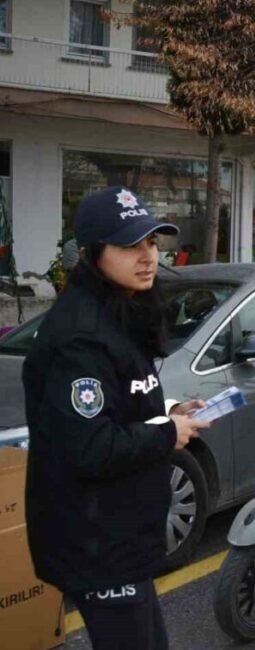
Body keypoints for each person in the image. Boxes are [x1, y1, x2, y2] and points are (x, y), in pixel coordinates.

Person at [22, 187, 210, 650]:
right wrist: (168, 434)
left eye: (152, 242)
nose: (148, 257)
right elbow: (88, 447)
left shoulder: (118, 311)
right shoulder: (80, 337)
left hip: (123, 536)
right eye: (130, 245)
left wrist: (167, 412)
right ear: (93, 254)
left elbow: (119, 402)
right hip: (96, 543)